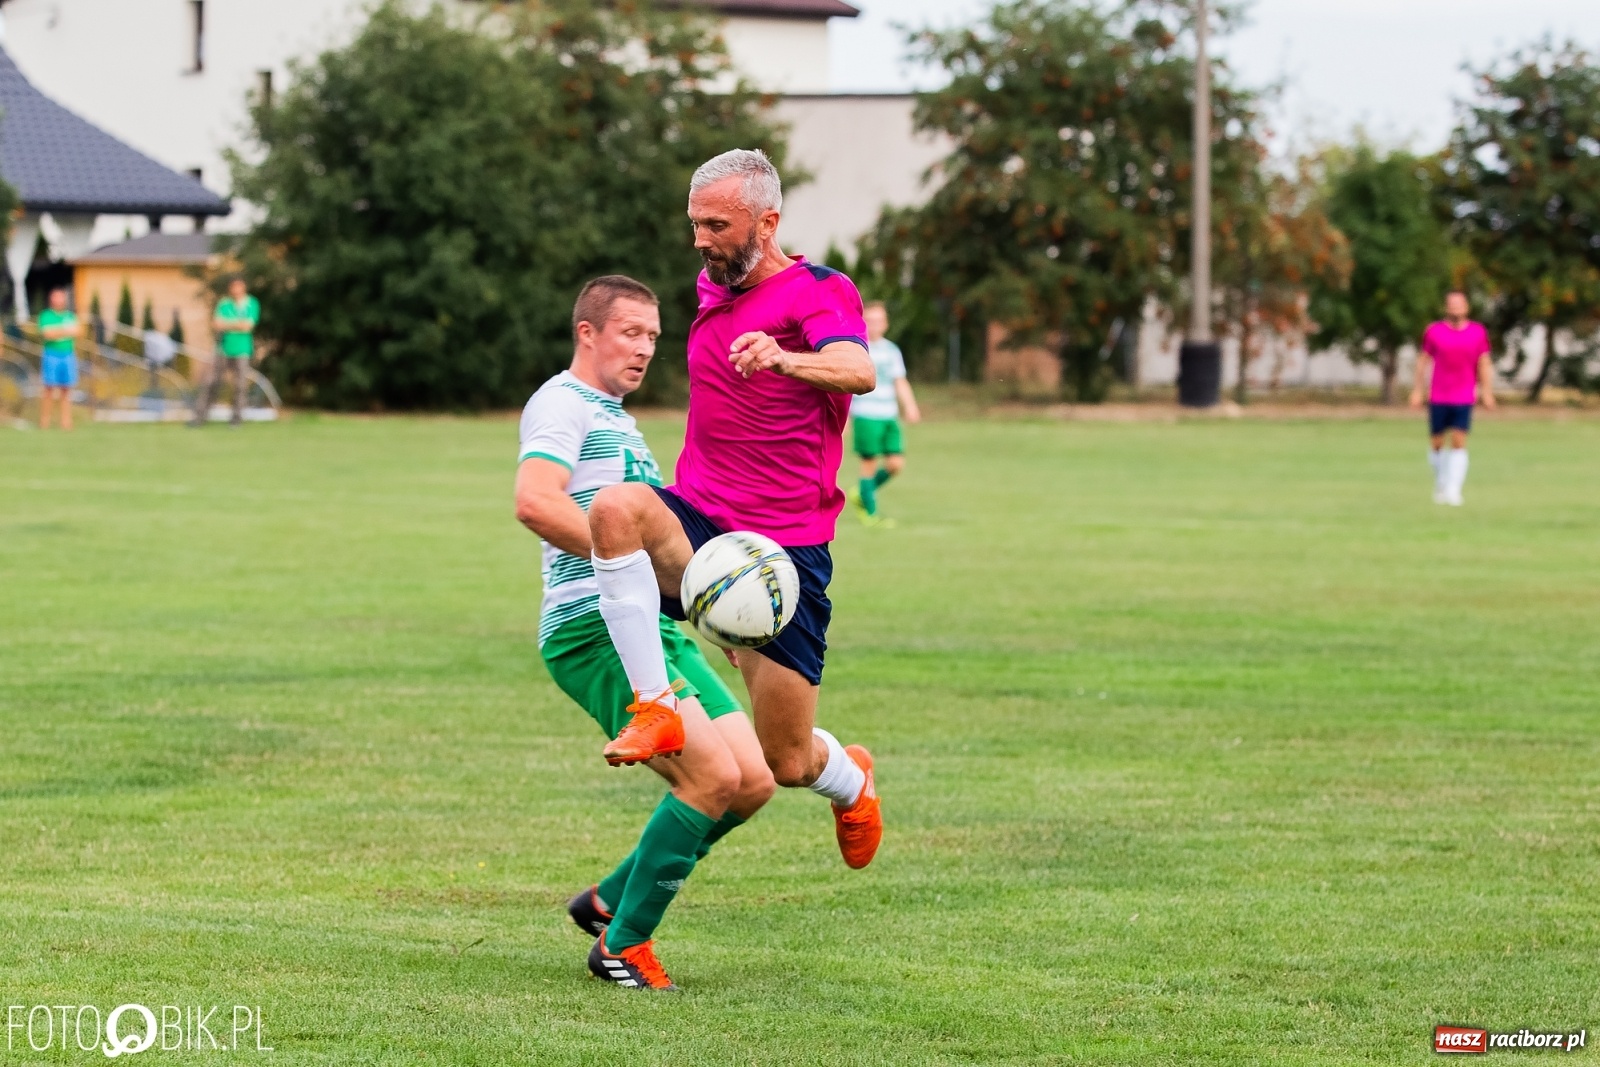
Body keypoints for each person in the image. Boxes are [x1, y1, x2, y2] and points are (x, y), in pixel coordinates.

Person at [585, 149, 884, 922]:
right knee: (615, 511)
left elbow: (856, 369)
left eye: (717, 224)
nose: (700, 239)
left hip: (779, 557)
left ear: (768, 221)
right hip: (699, 516)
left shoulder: (819, 291)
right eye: (695, 224)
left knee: (786, 758)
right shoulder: (713, 283)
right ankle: (655, 705)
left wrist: (786, 359)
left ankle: (850, 779)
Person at [515, 275, 776, 992]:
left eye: (654, 338)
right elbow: (535, 502)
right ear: (587, 332)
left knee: (752, 782)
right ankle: (622, 944)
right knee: (712, 776)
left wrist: (710, 600)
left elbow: (653, 550)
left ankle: (606, 902)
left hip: (656, 631)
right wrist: (621, 560)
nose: (645, 349)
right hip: (591, 630)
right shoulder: (562, 404)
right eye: (631, 332)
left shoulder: (618, 419)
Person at [1410, 291, 1496, 506]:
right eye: (1452, 305)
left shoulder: (1477, 332)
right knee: (1437, 442)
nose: (1456, 309)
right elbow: (1423, 361)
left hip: (1464, 395)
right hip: (1439, 394)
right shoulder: (1434, 332)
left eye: (1460, 305)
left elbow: (1484, 362)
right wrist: (1417, 390)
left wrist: (1486, 391)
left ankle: (1454, 489)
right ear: (1446, 308)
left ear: (1466, 307)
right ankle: (1441, 481)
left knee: (1458, 440)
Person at [847, 301, 921, 525]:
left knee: (895, 464)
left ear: (886, 323)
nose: (875, 325)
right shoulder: (856, 348)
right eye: (870, 320)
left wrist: (910, 405)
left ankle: (861, 493)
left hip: (889, 415)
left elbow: (900, 381)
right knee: (869, 463)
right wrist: (845, 418)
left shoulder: (892, 350)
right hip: (866, 414)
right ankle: (870, 515)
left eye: (879, 320)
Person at [192, 277, 260, 426]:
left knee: (240, 386)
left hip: (242, 350)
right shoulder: (224, 304)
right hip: (222, 349)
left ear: (243, 288)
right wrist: (237, 324)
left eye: (238, 287)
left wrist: (228, 324)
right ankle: (199, 417)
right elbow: (217, 324)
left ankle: (236, 419)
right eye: (233, 287)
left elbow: (247, 326)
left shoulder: (251, 303)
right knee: (211, 383)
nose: (235, 290)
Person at [36, 288, 80, 431]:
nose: (58, 300)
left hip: (68, 354)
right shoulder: (46, 316)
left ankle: (66, 422)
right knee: (49, 388)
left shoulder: (69, 316)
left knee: (66, 389)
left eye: (60, 297)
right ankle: (44, 421)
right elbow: (48, 334)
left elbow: (78, 331)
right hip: (51, 354)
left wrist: (58, 331)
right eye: (56, 297)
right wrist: (66, 330)